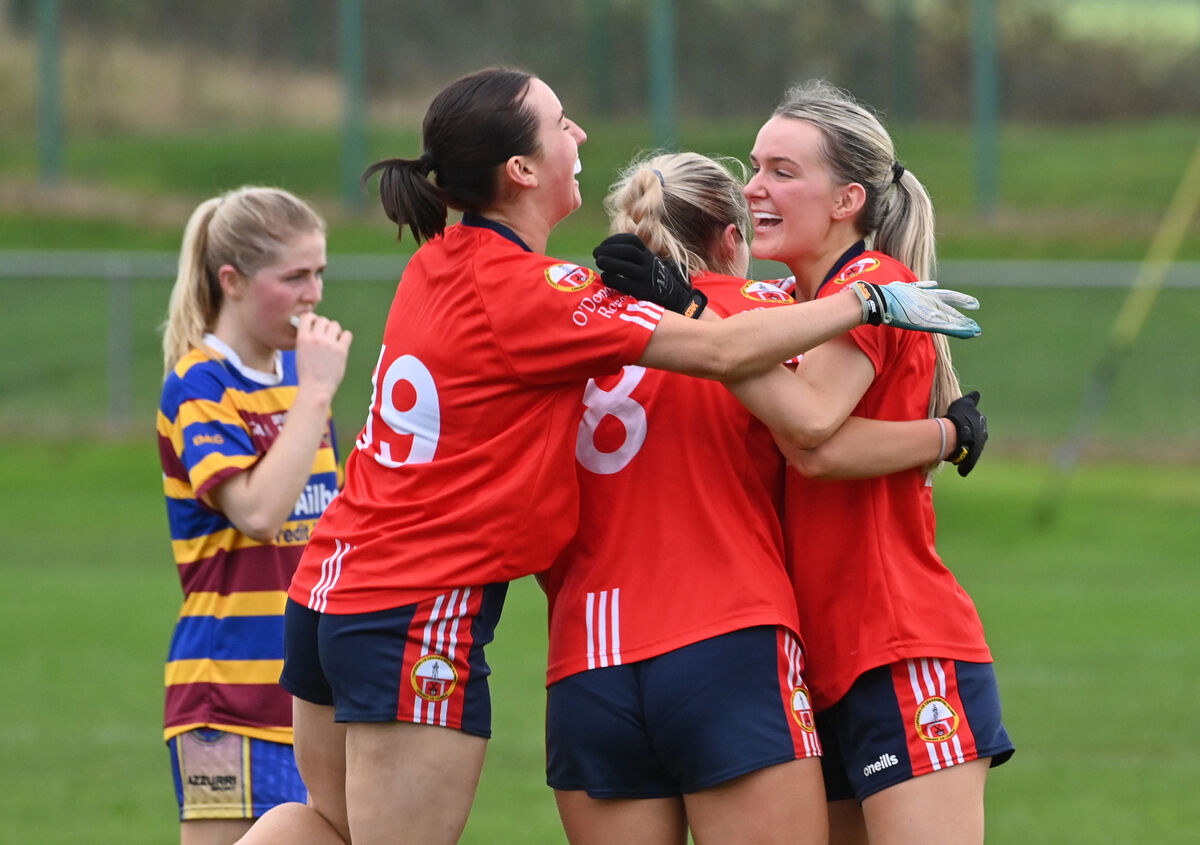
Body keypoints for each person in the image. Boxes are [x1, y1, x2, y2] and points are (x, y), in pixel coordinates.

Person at [235, 67, 980, 845]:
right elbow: (780, 396)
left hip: (365, 599)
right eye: (561, 123)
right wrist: (872, 309)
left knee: (322, 824)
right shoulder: (583, 295)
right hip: (476, 611)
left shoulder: (436, 263)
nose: (579, 133)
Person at [544, 153, 990, 845]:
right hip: (727, 640)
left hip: (584, 660)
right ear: (730, 238)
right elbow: (816, 434)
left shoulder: (577, 327)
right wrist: (946, 433)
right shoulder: (770, 315)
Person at [741, 80, 1016, 844]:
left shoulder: (874, 286)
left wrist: (707, 337)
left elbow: (814, 440)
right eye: (754, 164)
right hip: (816, 663)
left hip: (899, 642)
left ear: (847, 199)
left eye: (783, 170)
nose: (754, 186)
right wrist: (945, 436)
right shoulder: (787, 307)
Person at [157, 185, 353, 845]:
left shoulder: (301, 377)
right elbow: (260, 511)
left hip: (308, 701)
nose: (313, 293)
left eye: (319, 272)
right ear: (233, 281)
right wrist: (317, 393)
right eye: (294, 276)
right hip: (225, 702)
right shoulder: (200, 382)